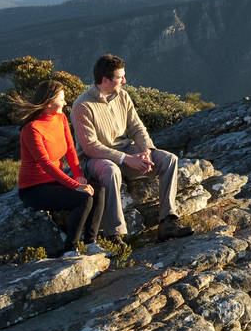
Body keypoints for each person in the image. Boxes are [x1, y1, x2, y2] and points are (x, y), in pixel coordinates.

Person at [71, 54, 193, 243]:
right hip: (94, 160)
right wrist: (127, 159)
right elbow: (90, 146)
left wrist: (146, 150)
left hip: (126, 151)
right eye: (120, 77)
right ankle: (115, 234)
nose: (125, 81)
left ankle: (167, 222)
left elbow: (136, 127)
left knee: (169, 160)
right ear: (105, 80)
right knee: (111, 171)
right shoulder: (82, 106)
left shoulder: (122, 96)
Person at [15, 80, 104, 257]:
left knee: (99, 189)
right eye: (61, 99)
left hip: (55, 180)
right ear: (48, 103)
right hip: (34, 189)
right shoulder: (32, 129)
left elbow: (70, 149)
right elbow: (45, 163)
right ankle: (69, 249)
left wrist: (78, 175)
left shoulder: (61, 118)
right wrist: (74, 186)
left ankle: (91, 242)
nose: (65, 103)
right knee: (83, 198)